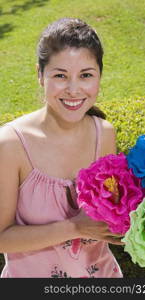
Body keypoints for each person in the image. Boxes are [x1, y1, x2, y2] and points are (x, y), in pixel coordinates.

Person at [0, 18, 124, 278]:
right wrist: (75, 227)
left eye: (86, 75)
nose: (73, 89)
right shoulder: (10, 144)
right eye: (60, 76)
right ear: (39, 75)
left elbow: (110, 214)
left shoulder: (104, 134)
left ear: (100, 74)